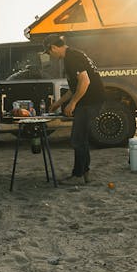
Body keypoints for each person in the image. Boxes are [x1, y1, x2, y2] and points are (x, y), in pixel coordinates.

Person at [44, 34, 106, 183]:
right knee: (81, 138)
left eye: (49, 53)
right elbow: (74, 87)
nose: (50, 56)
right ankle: (84, 173)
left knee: (78, 139)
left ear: (53, 47)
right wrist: (58, 103)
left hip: (91, 101)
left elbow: (85, 82)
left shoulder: (72, 57)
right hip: (89, 101)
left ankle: (78, 175)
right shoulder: (71, 56)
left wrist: (72, 103)